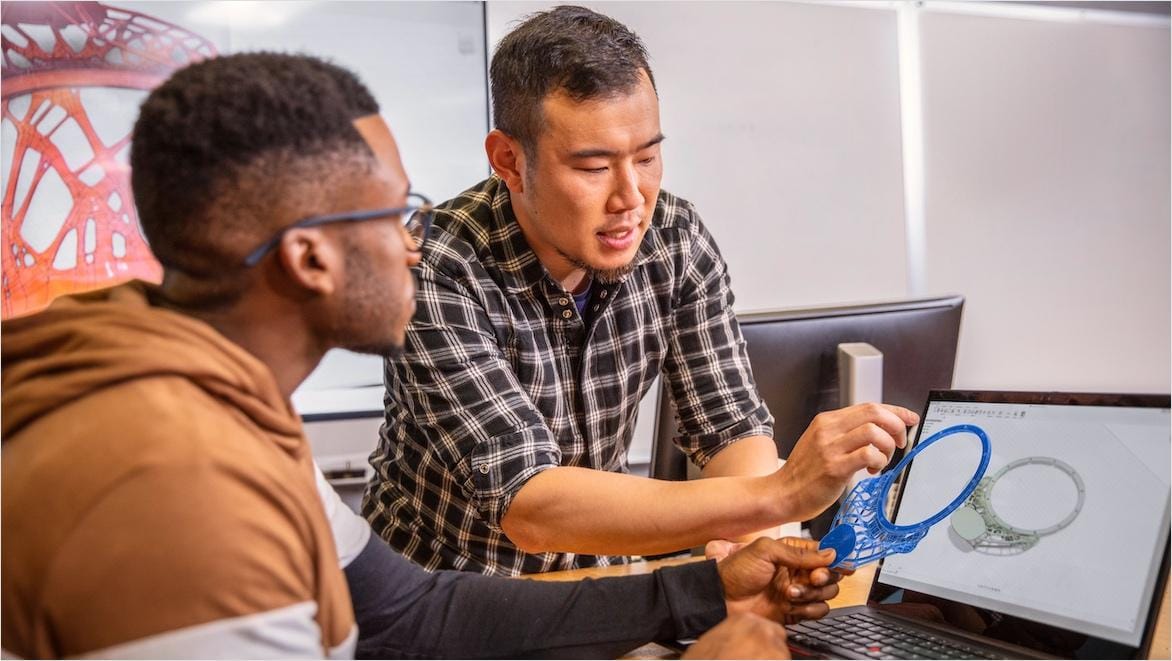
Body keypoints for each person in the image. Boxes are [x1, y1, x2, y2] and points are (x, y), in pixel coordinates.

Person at [1, 51, 842, 660]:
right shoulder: (174, 488)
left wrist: (703, 592)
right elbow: (512, 524)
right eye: (393, 212)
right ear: (310, 258)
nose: (414, 240)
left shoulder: (226, 411)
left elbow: (411, 616)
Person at [364, 4, 920, 576]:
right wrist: (783, 493)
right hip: (445, 594)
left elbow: (730, 428)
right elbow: (529, 504)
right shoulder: (432, 265)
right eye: (593, 167)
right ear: (510, 160)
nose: (632, 197)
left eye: (648, 156)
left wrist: (758, 535)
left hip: (599, 578)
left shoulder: (674, 237)